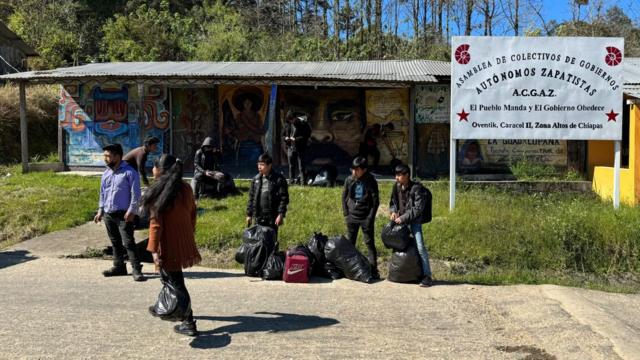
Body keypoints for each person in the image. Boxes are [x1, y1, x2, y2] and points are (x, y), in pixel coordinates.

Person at [143, 154, 202, 337]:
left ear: (160, 170)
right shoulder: (185, 188)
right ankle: (166, 306)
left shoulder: (158, 191)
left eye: (154, 167)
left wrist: (153, 250)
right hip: (182, 240)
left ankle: (188, 321)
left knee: (176, 282)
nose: (152, 170)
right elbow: (193, 213)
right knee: (173, 279)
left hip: (167, 243)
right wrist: (188, 234)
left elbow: (156, 225)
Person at [93, 143, 145, 282]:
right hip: (109, 214)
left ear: (117, 156)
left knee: (128, 242)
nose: (106, 159)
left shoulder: (130, 172)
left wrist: (132, 211)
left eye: (108, 156)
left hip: (124, 215)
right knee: (115, 242)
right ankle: (119, 267)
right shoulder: (106, 173)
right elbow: (102, 193)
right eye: (105, 156)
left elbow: (136, 195)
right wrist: (100, 211)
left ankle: (136, 269)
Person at [389, 164, 434, 287]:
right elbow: (393, 202)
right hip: (401, 222)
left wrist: (402, 218)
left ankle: (427, 276)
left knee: (420, 247)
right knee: (400, 247)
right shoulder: (396, 186)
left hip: (414, 221)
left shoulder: (417, 188)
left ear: (407, 175)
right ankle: (403, 274)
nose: (396, 178)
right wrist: (393, 211)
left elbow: (417, 209)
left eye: (399, 175)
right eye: (396, 175)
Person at [342, 156, 380, 279]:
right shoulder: (349, 180)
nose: (354, 172)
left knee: (369, 244)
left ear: (363, 170)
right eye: (352, 169)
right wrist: (346, 214)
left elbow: (375, 202)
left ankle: (374, 270)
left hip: (365, 217)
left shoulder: (370, 181)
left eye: (356, 170)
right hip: (352, 216)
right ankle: (350, 269)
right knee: (350, 244)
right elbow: (344, 197)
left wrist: (370, 218)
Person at [246, 153, 289, 238]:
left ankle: (272, 251)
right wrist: (249, 215)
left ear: (269, 165)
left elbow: (284, 199)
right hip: (258, 216)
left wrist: (280, 214)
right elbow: (251, 198)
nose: (259, 167)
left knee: (271, 239)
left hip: (272, 217)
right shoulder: (256, 179)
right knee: (258, 239)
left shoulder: (279, 179)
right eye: (258, 164)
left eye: (262, 165)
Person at [282, 112, 312, 185]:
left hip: (300, 148)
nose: (291, 121)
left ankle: (303, 183)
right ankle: (291, 182)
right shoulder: (287, 124)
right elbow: (282, 135)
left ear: (295, 118)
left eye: (292, 119)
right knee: (291, 166)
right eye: (290, 120)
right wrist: (286, 138)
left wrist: (296, 139)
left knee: (301, 166)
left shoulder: (303, 124)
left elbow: (306, 135)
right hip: (290, 148)